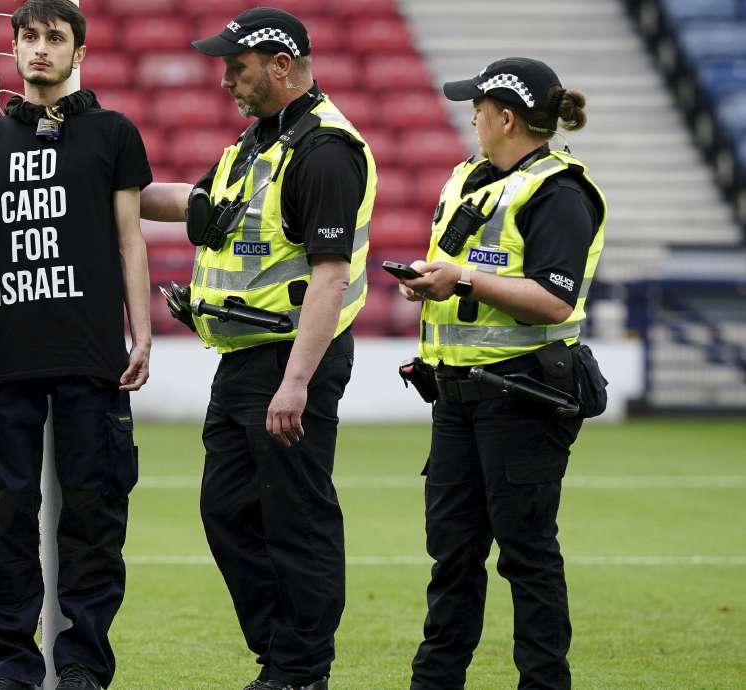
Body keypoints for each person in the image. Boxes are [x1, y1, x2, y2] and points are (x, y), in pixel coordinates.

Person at [139, 8, 377, 690]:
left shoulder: (325, 150)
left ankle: (301, 670)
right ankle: (285, 656)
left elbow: (330, 275)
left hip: (289, 360)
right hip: (244, 360)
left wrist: (297, 382)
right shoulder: (257, 143)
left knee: (296, 519)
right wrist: (106, 182)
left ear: (280, 65)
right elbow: (195, 201)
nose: (223, 80)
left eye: (235, 67)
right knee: (226, 511)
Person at [0, 1, 153, 688]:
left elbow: (129, 237)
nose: (40, 49)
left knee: (93, 516)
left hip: (91, 357)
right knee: (3, 519)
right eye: (29, 37)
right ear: (16, 47)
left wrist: (141, 331)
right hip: (4, 360)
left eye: (55, 38)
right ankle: (8, 667)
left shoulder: (113, 132)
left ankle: (84, 663)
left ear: (78, 51)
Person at [392, 57, 605, 690]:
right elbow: (473, 281)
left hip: (525, 396)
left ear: (505, 116)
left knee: (527, 556)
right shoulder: (473, 178)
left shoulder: (560, 192)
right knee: (452, 556)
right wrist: (434, 285)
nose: (473, 117)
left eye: (479, 107)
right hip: (458, 396)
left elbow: (555, 299)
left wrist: (461, 277)